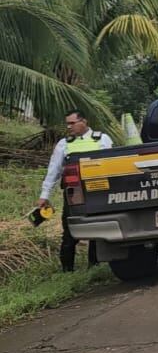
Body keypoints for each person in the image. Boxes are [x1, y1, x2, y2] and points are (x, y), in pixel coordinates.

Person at [37, 110, 113, 272]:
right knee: (69, 230)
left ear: (84, 122)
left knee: (98, 228)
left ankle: (95, 267)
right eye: (67, 123)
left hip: (97, 191)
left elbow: (110, 165)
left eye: (72, 123)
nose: (69, 127)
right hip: (74, 193)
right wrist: (44, 196)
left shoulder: (102, 139)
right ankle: (67, 270)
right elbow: (53, 171)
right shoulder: (64, 144)